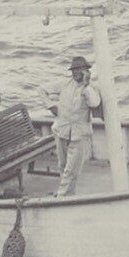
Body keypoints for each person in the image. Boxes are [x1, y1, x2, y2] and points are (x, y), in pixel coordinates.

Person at [52, 55, 101, 197]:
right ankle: (68, 194)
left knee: (71, 169)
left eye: (79, 69)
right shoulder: (64, 84)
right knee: (63, 166)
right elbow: (41, 90)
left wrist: (86, 86)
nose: (75, 72)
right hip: (61, 130)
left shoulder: (91, 88)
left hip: (79, 134)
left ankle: (61, 197)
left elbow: (94, 103)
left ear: (86, 71)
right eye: (73, 69)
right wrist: (50, 106)